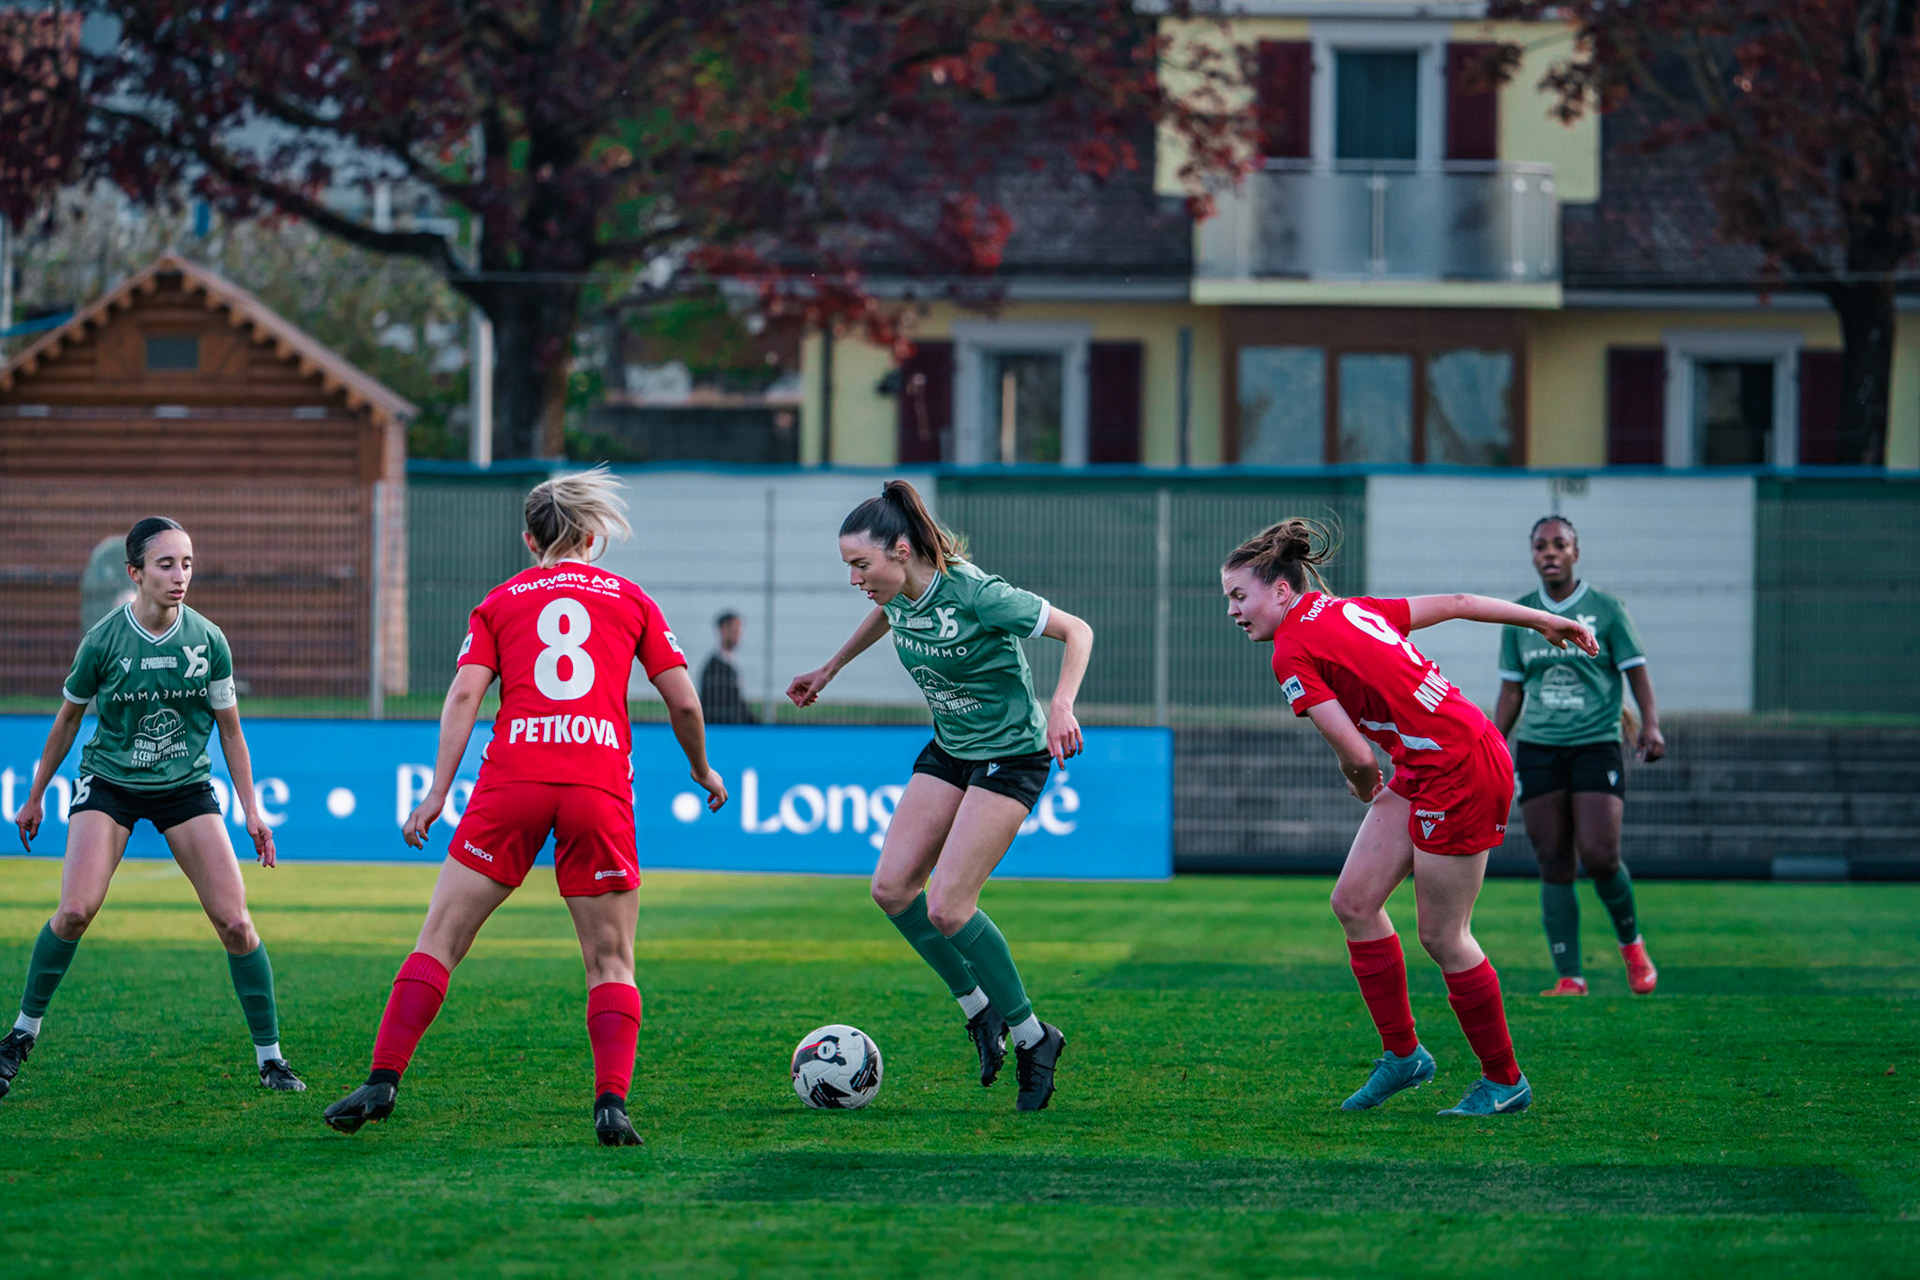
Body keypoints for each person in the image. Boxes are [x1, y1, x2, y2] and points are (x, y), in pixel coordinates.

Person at [322, 470, 728, 1147]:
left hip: (514, 780)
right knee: (610, 961)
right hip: (598, 784)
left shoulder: (501, 600)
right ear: (594, 537)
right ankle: (611, 1104)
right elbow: (683, 700)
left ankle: (382, 1079)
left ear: (528, 539)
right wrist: (701, 769)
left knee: (440, 941)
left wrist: (435, 793)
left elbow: (462, 698)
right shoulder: (632, 599)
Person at [1220, 519, 1596, 1117]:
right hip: (1432, 758)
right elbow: (1459, 603)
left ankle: (1505, 1079)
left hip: (1458, 767)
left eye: (1240, 596)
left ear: (1283, 591)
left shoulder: (1292, 647)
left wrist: (1364, 785)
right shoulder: (1347, 609)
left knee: (1444, 935)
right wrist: (1543, 620)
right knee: (1354, 903)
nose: (1234, 611)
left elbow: (1359, 757)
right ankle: (1404, 1056)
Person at [787, 480, 1093, 1112]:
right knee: (892, 889)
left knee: (950, 906)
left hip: (1012, 753)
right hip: (952, 748)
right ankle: (978, 1011)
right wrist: (830, 667)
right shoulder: (898, 587)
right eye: (850, 567)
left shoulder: (979, 594)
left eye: (860, 565)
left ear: (901, 550)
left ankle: (1035, 1037)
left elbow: (1077, 630)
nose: (855, 580)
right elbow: (887, 610)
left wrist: (1061, 704)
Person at [5, 516, 301, 1099]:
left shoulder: (208, 640)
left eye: (187, 563)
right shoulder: (103, 641)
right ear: (135, 573)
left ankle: (271, 1059)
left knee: (236, 923)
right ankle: (19, 1036)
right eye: (166, 564)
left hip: (185, 787)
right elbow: (68, 720)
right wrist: (37, 793)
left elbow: (232, 733)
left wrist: (252, 810)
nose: (180, 575)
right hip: (109, 783)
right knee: (74, 911)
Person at [1494, 515, 1664, 997]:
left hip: (1595, 743)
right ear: (1532, 554)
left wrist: (1650, 724)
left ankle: (1631, 945)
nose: (1549, 552)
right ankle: (1571, 976)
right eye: (1541, 546)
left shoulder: (1607, 609)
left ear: (1575, 553)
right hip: (1540, 748)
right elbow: (1511, 690)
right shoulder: (1519, 615)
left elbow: (1636, 671)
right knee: (1553, 860)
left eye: (1559, 544)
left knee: (1599, 856)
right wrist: (1488, 740)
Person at [699, 611, 753, 723]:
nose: (737, 635)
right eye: (734, 630)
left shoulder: (730, 665)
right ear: (722, 630)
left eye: (739, 631)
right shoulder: (713, 669)